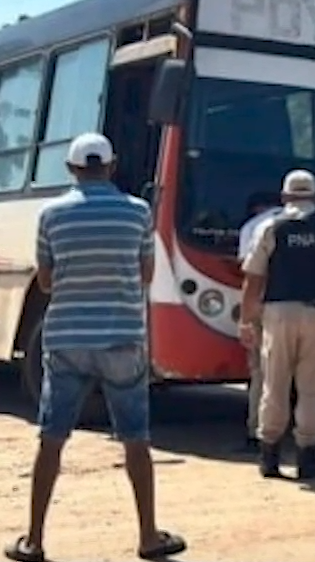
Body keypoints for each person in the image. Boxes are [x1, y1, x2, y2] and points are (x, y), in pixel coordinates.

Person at [6, 133, 187, 562]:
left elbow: (46, 281)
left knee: (52, 438)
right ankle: (147, 536)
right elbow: (145, 274)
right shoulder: (138, 213)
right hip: (123, 337)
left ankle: (34, 540)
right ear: (112, 165)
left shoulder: (52, 214)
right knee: (135, 440)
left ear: (71, 169)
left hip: (67, 338)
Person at [238, 170, 315, 480]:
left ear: (284, 198)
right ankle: (308, 456)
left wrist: (246, 321)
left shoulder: (270, 227)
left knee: (274, 383)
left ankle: (269, 455)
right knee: (313, 388)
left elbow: (253, 280)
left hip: (277, 315)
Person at [236, 191, 282, 453]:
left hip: (265, 307)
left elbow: (249, 276)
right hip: (304, 308)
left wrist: (245, 318)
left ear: (255, 208)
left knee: (262, 373)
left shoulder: (254, 227)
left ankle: (258, 434)